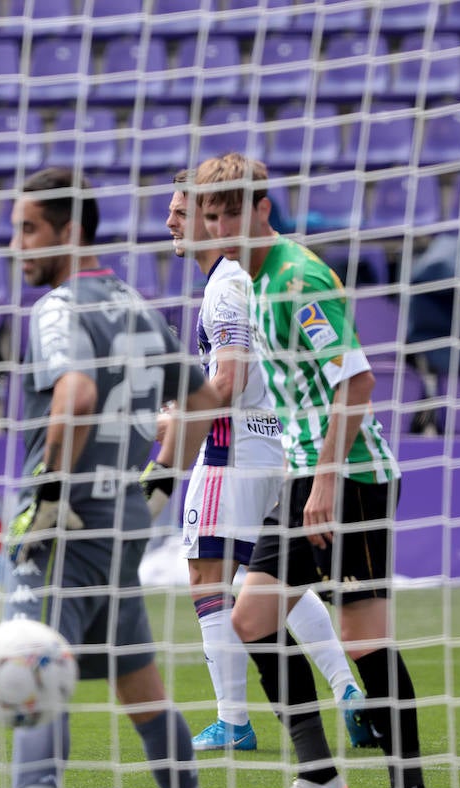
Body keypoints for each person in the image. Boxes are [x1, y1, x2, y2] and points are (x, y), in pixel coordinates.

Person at [0, 167, 227, 788]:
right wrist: (159, 481)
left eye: (27, 228)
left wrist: (53, 494)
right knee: (143, 690)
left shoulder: (58, 308)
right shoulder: (135, 302)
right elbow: (197, 401)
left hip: (65, 532)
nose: (16, 243)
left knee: (29, 678)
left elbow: (76, 394)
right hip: (122, 526)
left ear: (68, 231)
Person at [197, 153, 437, 788]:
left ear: (261, 210)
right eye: (209, 213)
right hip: (304, 476)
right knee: (251, 618)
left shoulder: (297, 279)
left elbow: (355, 383)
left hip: (349, 477)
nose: (217, 225)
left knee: (364, 640)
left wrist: (326, 477)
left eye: (229, 211)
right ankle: (318, 783)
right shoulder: (251, 281)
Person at [142, 169, 373, 753]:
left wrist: (181, 417)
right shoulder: (256, 277)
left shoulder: (225, 285)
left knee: (208, 576)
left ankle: (234, 721)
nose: (169, 221)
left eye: (181, 211)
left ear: (216, 220)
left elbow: (230, 377)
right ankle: (347, 689)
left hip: (232, 445)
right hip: (280, 442)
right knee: (272, 578)